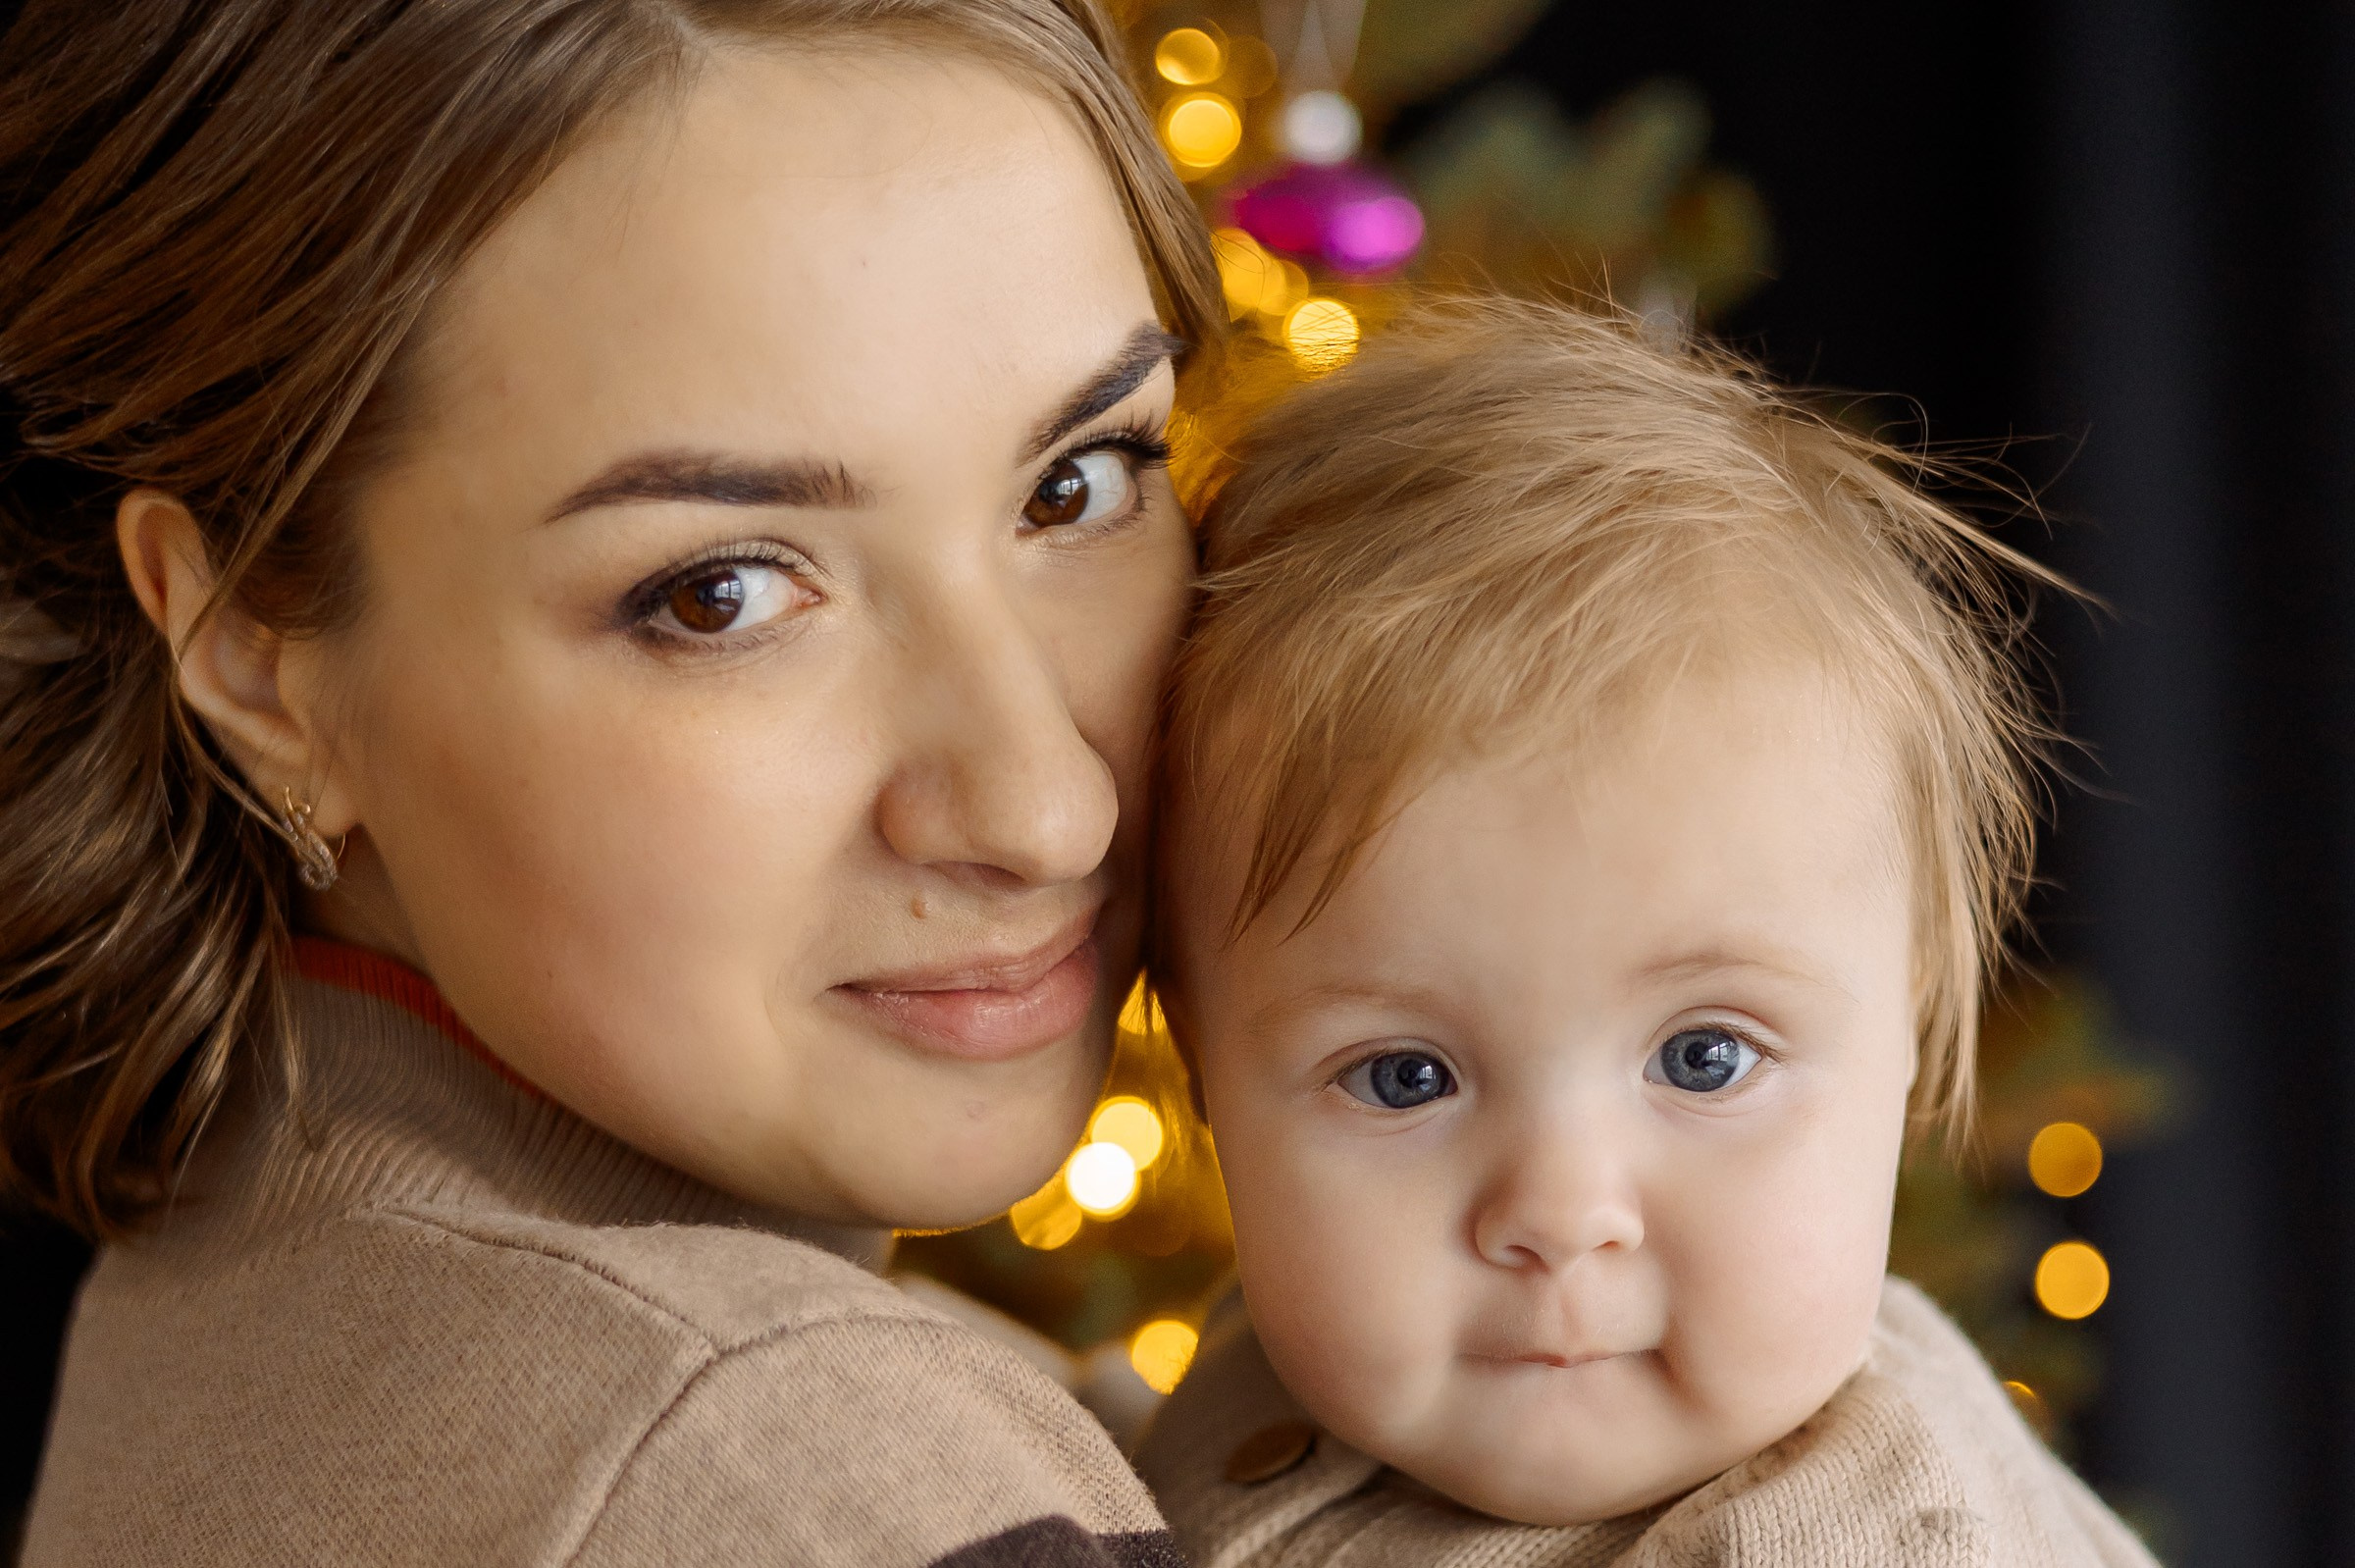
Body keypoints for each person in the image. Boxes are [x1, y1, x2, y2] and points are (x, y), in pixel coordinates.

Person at [0, 1, 1220, 1562]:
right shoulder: (783, 1454)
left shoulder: (215, 1294)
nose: (1048, 805)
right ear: (253, 648)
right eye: (719, 593)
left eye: (1083, 482)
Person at [1133, 300, 2160, 1565]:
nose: (1561, 1214)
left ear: (1912, 1023)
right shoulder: (1267, 1386)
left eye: (1704, 1058)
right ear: (1204, 1072)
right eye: (1406, 1078)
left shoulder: (1881, 1542)